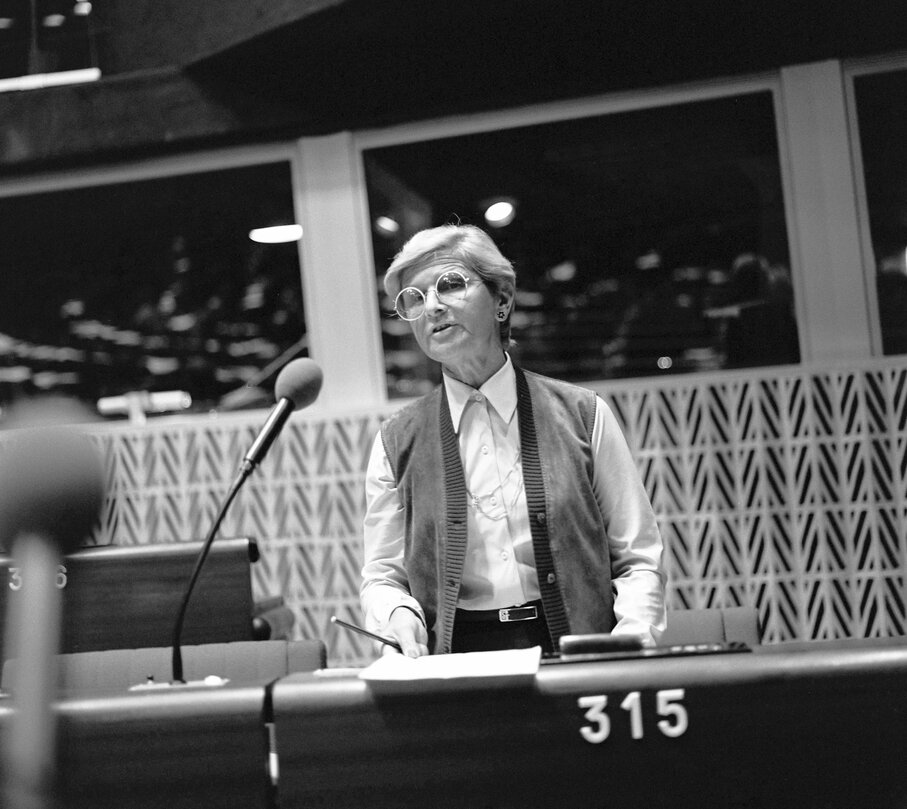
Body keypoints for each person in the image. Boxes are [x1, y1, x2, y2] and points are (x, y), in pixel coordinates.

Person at [360, 224, 666, 657]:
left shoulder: (582, 413)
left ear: (502, 301)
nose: (432, 307)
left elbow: (638, 558)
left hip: (576, 648)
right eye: (415, 297)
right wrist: (397, 614)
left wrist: (629, 645)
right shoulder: (396, 440)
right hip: (455, 657)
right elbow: (383, 576)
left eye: (450, 285)